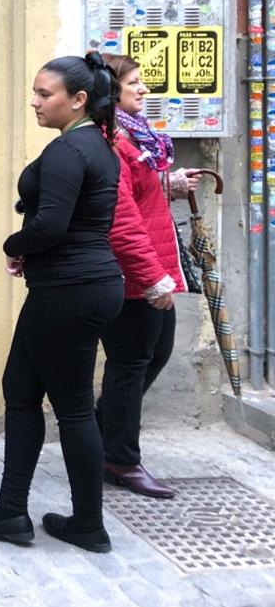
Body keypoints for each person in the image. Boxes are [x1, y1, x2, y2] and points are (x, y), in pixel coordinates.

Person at [0, 52, 124, 553]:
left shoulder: (67, 152)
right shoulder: (97, 146)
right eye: (34, 91)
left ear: (77, 100)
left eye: (43, 93)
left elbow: (50, 225)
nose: (34, 101)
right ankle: (12, 513)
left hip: (68, 291)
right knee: (21, 387)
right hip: (79, 286)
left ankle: (88, 525)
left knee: (73, 408)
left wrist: (14, 246)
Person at [97, 52, 200, 499]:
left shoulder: (135, 138)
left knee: (154, 352)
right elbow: (119, 217)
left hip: (152, 263)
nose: (144, 88)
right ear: (111, 91)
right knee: (131, 363)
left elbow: (138, 194)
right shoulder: (112, 141)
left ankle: (102, 433)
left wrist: (169, 186)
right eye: (134, 82)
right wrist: (151, 276)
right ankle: (119, 459)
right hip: (133, 272)